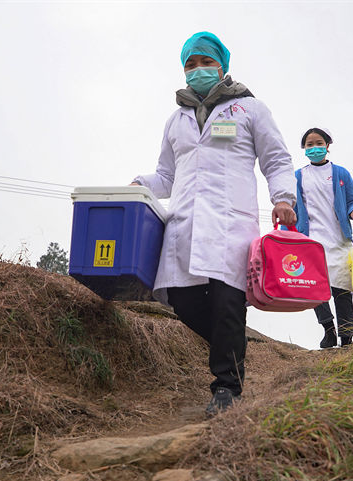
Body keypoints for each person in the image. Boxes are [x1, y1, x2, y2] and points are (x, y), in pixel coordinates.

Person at [131, 32, 297, 417]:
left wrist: (284, 199)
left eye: (205, 62)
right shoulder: (177, 119)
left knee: (226, 301)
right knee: (183, 301)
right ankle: (233, 346)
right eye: (190, 64)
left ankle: (227, 387)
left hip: (230, 224)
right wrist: (142, 184)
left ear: (221, 65)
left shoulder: (249, 109)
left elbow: (276, 158)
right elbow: (166, 176)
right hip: (185, 224)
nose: (197, 70)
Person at [289, 127, 353, 349]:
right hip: (310, 242)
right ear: (304, 148)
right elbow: (292, 208)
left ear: (328, 146)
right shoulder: (299, 176)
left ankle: (347, 336)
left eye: (318, 143)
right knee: (315, 288)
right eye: (309, 145)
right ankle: (328, 330)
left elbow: (352, 199)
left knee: (342, 288)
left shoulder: (341, 173)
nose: (314, 148)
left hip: (339, 240)